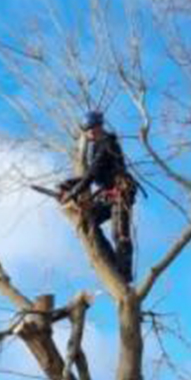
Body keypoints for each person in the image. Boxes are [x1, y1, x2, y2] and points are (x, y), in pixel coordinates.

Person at [60, 110, 137, 283]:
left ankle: (124, 274)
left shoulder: (107, 143)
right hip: (108, 194)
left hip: (120, 193)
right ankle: (108, 261)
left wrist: (74, 192)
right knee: (90, 220)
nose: (90, 134)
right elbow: (92, 173)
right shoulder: (95, 146)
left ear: (100, 126)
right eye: (87, 131)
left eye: (93, 129)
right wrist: (70, 184)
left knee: (120, 234)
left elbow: (93, 173)